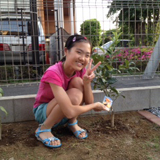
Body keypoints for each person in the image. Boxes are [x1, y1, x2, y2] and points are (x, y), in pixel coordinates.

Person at [33, 34, 108, 148]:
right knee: (74, 95)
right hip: (44, 112)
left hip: (64, 113)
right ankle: (43, 129)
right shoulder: (53, 72)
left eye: (87, 55)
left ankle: (72, 123)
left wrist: (87, 83)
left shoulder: (80, 71)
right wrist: (94, 105)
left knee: (78, 82)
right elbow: (70, 111)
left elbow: (88, 101)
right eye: (79, 52)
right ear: (66, 51)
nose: (82, 58)